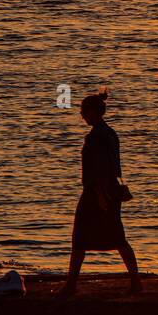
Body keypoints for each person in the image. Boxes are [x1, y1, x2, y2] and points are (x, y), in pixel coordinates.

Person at [57, 89, 142, 297]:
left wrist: (100, 195)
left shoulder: (95, 137)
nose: (82, 115)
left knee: (80, 237)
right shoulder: (111, 133)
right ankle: (136, 281)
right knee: (117, 236)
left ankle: (71, 284)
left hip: (97, 191)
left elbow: (100, 168)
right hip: (110, 189)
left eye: (84, 111)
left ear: (93, 112)